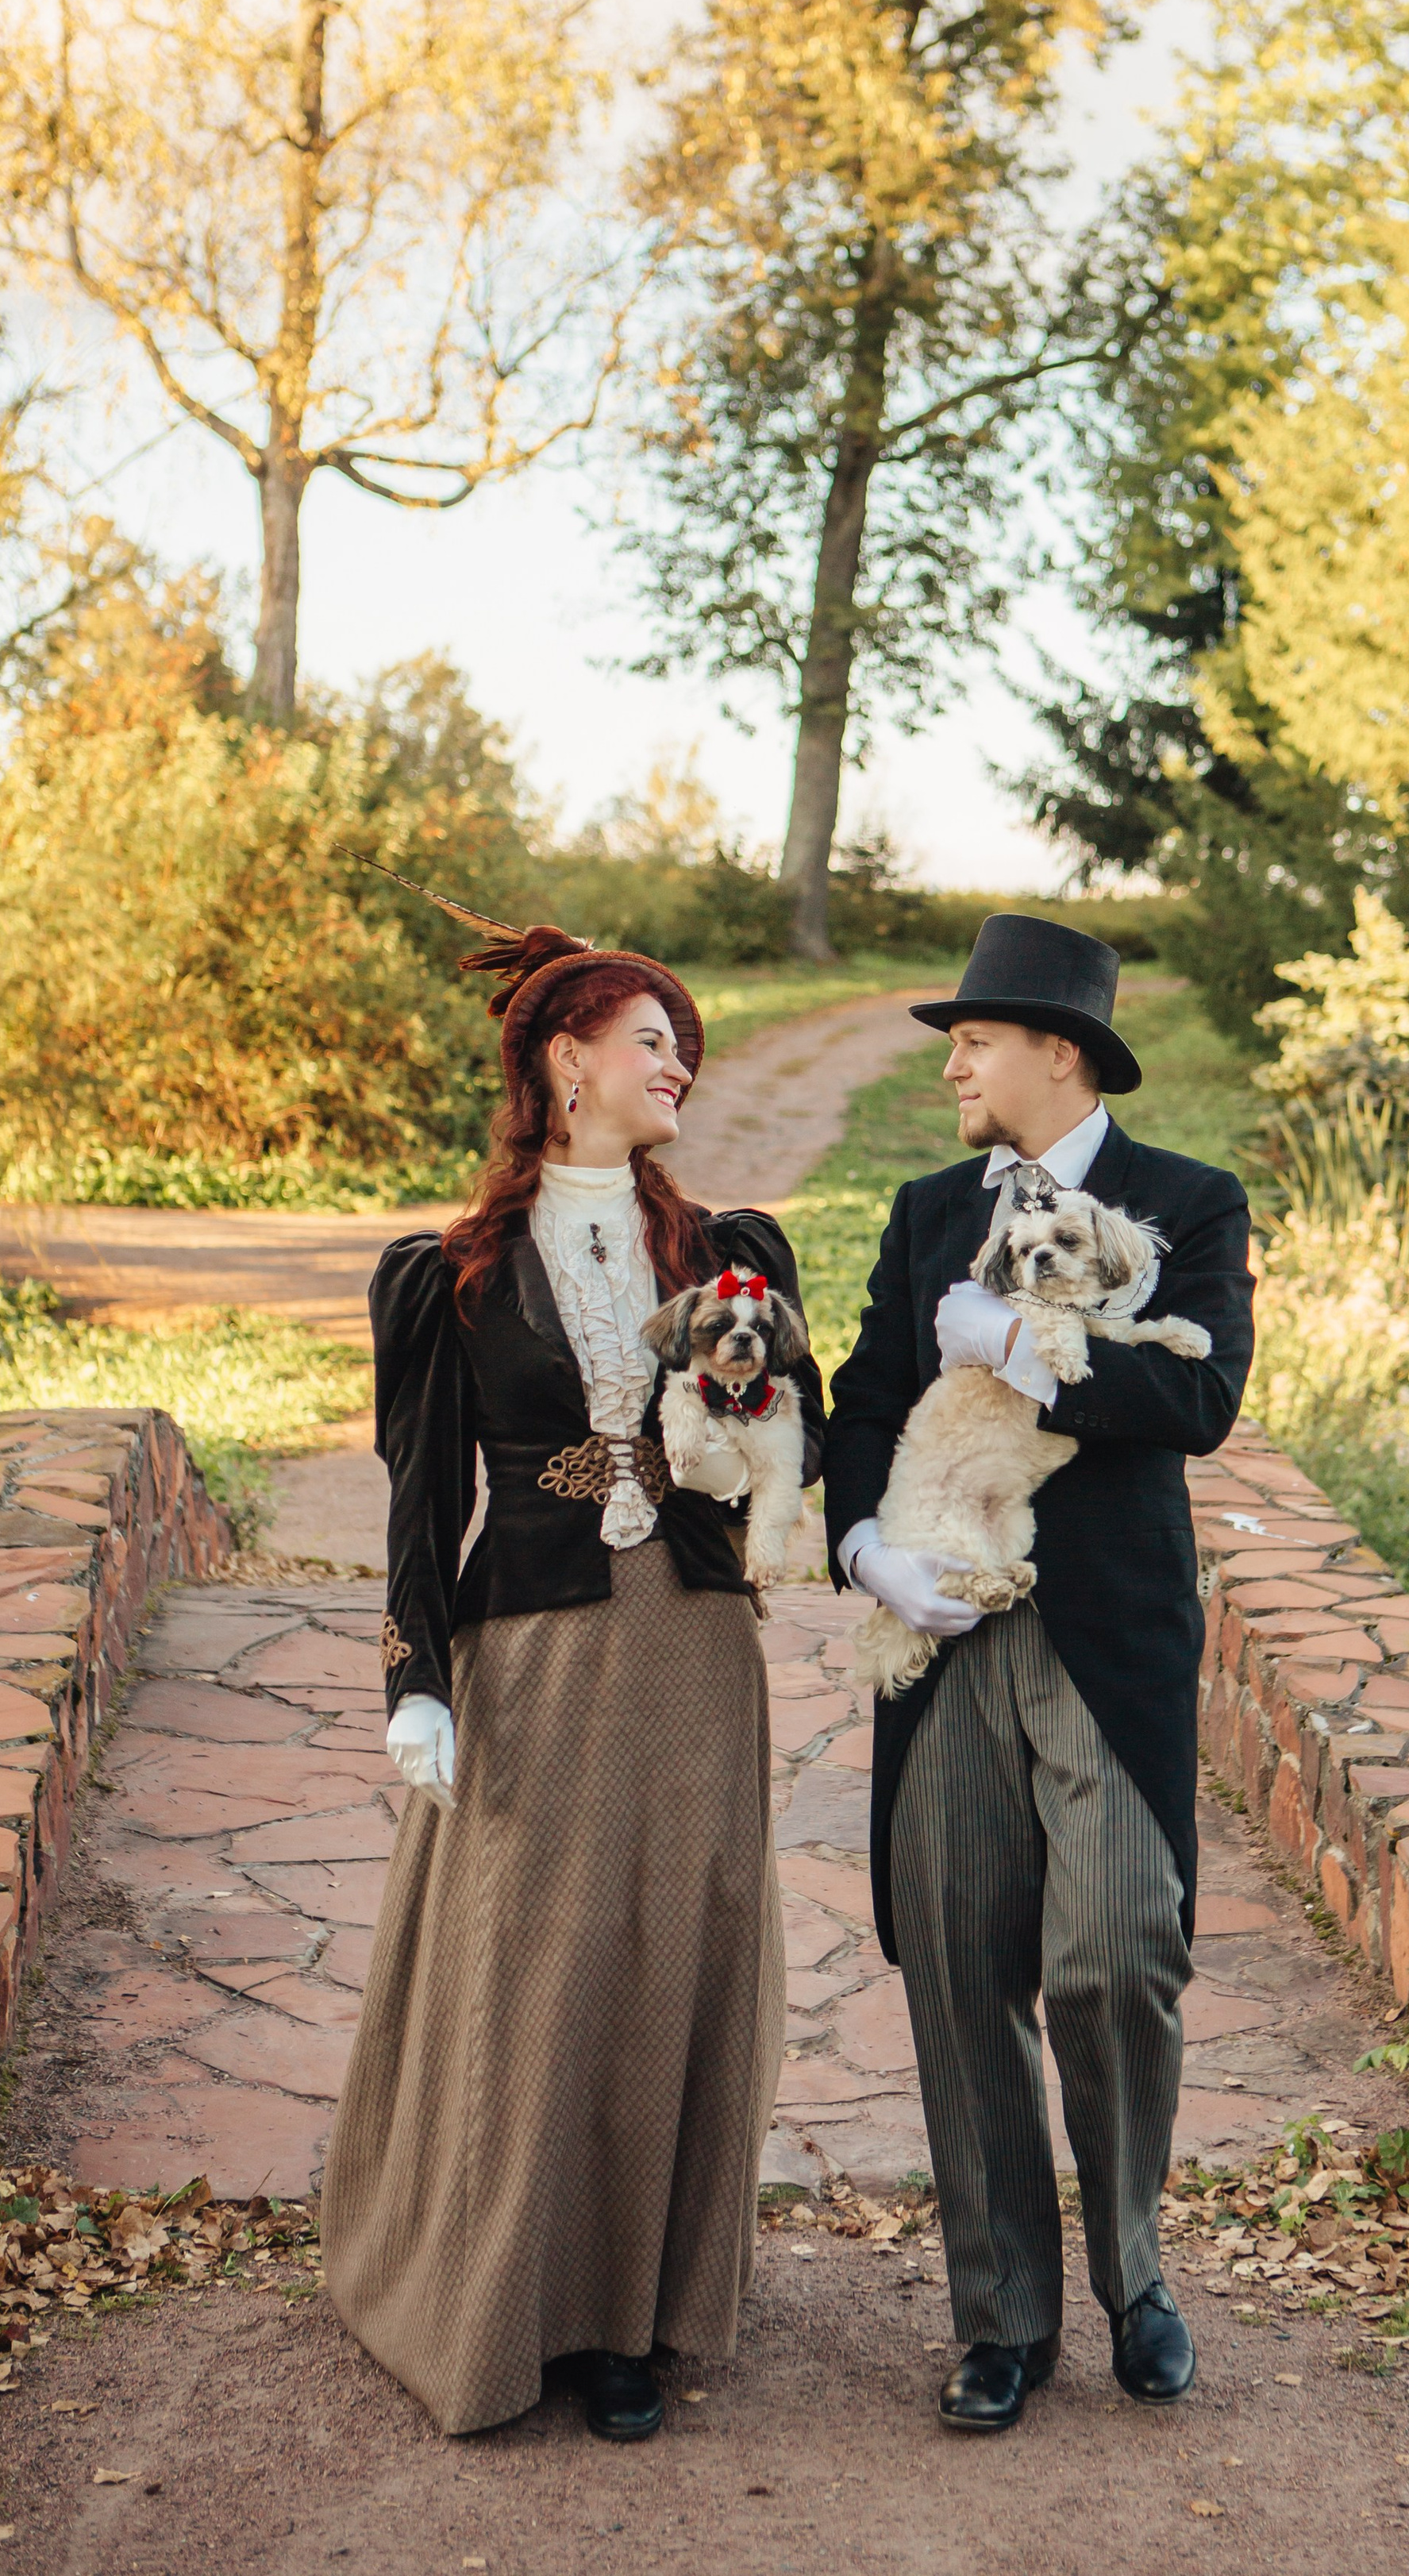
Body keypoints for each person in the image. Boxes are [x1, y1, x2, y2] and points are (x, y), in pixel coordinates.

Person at [321, 915, 822, 2443]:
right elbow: (419, 1498)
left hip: (687, 1644)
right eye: (650, 1036)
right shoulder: (448, 1274)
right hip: (528, 1647)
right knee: (528, 1975)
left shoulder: (726, 1251)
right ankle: (500, 2297)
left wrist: (757, 1460)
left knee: (669, 1963)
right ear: (567, 1061)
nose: (678, 1062)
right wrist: (415, 1676)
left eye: (685, 1042)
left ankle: (631, 2323)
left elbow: (801, 1424)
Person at [823, 914, 1253, 2432]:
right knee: (954, 1963)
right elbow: (865, 1397)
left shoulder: (1188, 1203)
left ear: (1057, 1051)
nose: (954, 1061)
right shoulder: (929, 1206)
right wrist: (867, 1547)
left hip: (1107, 1643)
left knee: (1119, 1946)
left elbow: (1201, 1394)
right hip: (947, 1638)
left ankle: (1136, 2278)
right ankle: (1001, 2314)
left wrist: (1015, 1337)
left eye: (977, 1039)